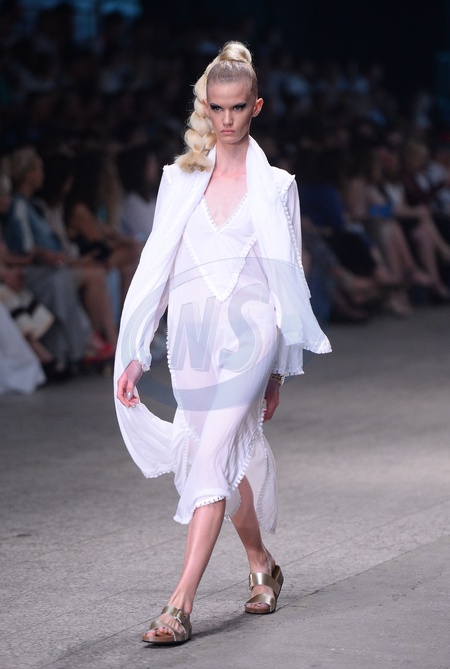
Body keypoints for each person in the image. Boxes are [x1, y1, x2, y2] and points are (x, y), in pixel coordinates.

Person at [115, 42, 331, 646]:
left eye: (238, 107)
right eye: (218, 107)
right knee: (213, 453)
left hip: (251, 336)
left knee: (210, 457)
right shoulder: (179, 180)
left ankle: (179, 605)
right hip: (191, 337)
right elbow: (156, 268)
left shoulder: (278, 186)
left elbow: (288, 280)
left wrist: (279, 370)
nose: (228, 119)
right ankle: (262, 563)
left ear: (256, 106)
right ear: (204, 108)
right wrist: (136, 349)